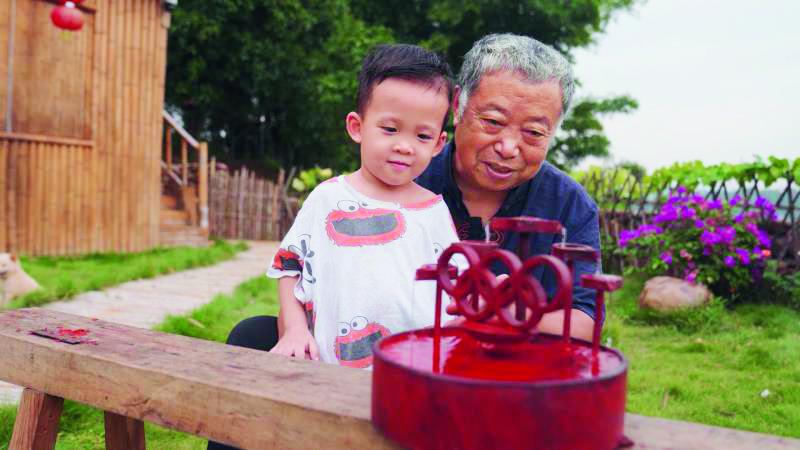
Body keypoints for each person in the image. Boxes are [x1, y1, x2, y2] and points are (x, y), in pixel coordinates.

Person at [415, 33, 600, 340]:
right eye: (493, 121)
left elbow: (584, 322)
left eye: (533, 132)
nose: (508, 147)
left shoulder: (570, 205)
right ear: (458, 106)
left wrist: (509, 311)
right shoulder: (408, 180)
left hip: (524, 378)